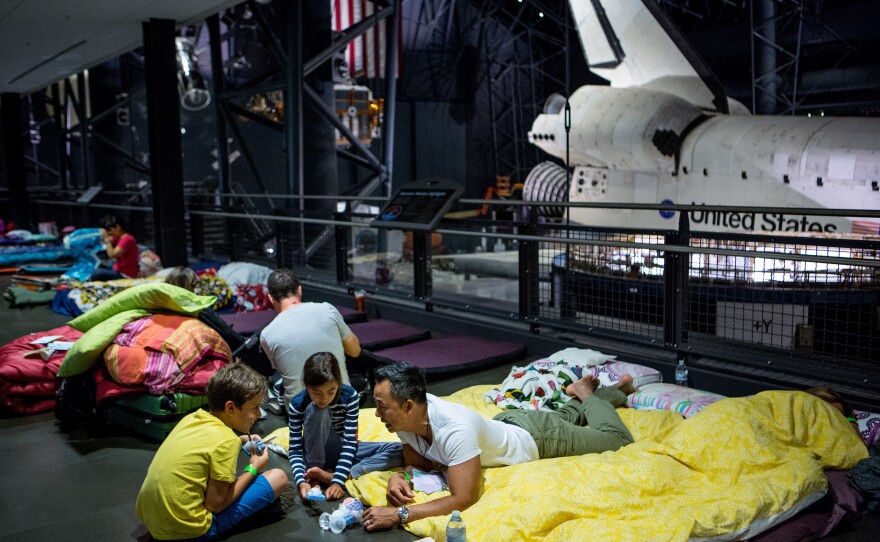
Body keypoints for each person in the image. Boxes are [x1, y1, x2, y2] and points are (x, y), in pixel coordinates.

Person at [361, 362, 636, 531]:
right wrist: (401, 476)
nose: (377, 414)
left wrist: (400, 514)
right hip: (512, 422)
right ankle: (590, 394)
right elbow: (418, 463)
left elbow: (463, 498)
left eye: (382, 407)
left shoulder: (456, 428)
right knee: (564, 420)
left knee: (616, 439)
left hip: (538, 437)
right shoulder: (405, 421)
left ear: (408, 406)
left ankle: (588, 393)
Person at [135, 363, 289, 541]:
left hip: (152, 520)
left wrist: (240, 441)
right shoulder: (225, 441)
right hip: (188, 533)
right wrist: (253, 468)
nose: (259, 414)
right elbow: (215, 505)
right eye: (254, 408)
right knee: (279, 478)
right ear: (230, 408)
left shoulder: (193, 418)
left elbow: (204, 449)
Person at [289, 352, 403, 501]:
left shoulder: (350, 396)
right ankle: (314, 475)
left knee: (400, 450)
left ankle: (341, 474)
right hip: (313, 453)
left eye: (331, 391)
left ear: (338, 384)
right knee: (319, 410)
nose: (324, 399)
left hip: (340, 449)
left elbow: (349, 443)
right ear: (306, 386)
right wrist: (302, 481)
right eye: (316, 392)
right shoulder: (297, 404)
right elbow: (295, 449)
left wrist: (338, 480)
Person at [259, 269, 363, 408]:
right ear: (300, 290)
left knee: (278, 381)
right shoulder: (327, 310)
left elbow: (283, 370)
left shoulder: (267, 334)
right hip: (341, 403)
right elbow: (355, 351)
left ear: (271, 298)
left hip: (300, 411)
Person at [165, 267, 273, 376]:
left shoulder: (167, 310)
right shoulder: (199, 310)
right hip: (230, 353)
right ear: (190, 287)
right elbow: (228, 336)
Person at [92, 214, 139, 281]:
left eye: (110, 230)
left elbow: (113, 254)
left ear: (118, 227)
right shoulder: (118, 238)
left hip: (125, 274)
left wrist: (107, 239)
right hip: (117, 269)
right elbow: (105, 241)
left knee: (96, 273)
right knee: (96, 266)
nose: (110, 233)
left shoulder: (127, 239)